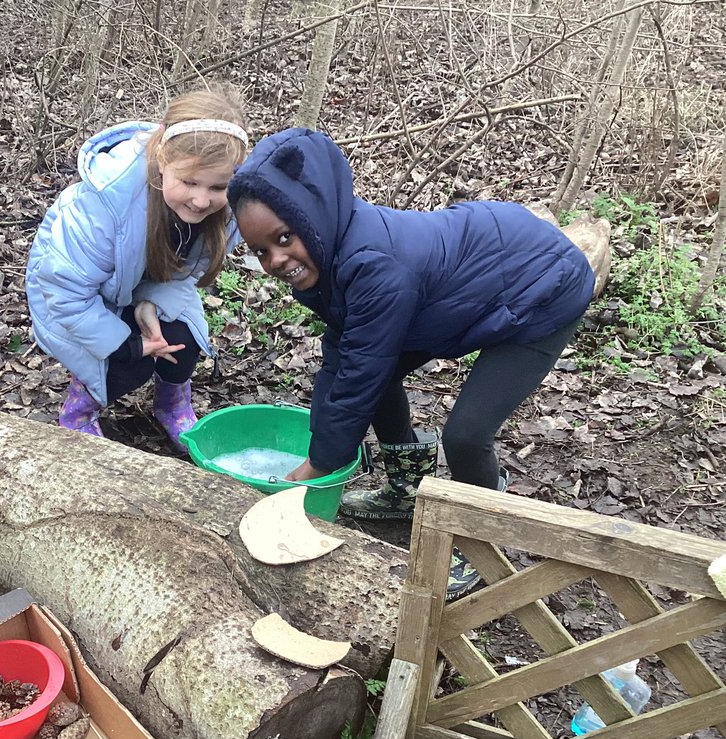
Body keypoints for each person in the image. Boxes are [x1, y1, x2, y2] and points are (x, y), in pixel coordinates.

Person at [228, 128, 594, 598]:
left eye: (283, 238)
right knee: (376, 381)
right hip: (459, 294)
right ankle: (407, 490)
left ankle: (481, 536)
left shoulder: (373, 264)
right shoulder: (329, 254)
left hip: (542, 290)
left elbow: (360, 371)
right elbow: (344, 357)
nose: (276, 260)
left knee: (465, 434)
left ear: (312, 216)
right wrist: (319, 446)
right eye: (261, 251)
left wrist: (318, 465)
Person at [25, 86, 249, 444]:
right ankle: (77, 412)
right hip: (70, 297)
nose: (201, 199)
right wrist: (128, 345)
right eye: (189, 181)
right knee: (132, 363)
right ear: (161, 156)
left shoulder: (224, 210)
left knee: (183, 340)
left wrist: (149, 304)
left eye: (217, 186)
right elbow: (65, 295)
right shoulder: (104, 204)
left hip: (134, 286)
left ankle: (171, 406)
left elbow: (183, 274)